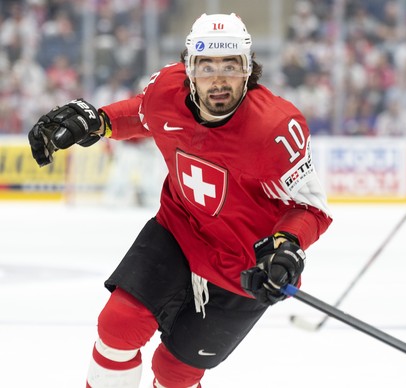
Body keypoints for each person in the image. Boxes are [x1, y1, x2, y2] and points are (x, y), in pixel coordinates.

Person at [28, 13, 332, 387]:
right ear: (189, 69)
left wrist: (286, 248)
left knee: (175, 373)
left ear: (249, 70)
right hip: (179, 230)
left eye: (231, 66)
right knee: (118, 325)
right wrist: (98, 120)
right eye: (206, 66)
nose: (218, 79)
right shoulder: (166, 91)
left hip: (244, 267)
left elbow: (311, 207)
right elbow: (143, 114)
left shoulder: (275, 128)